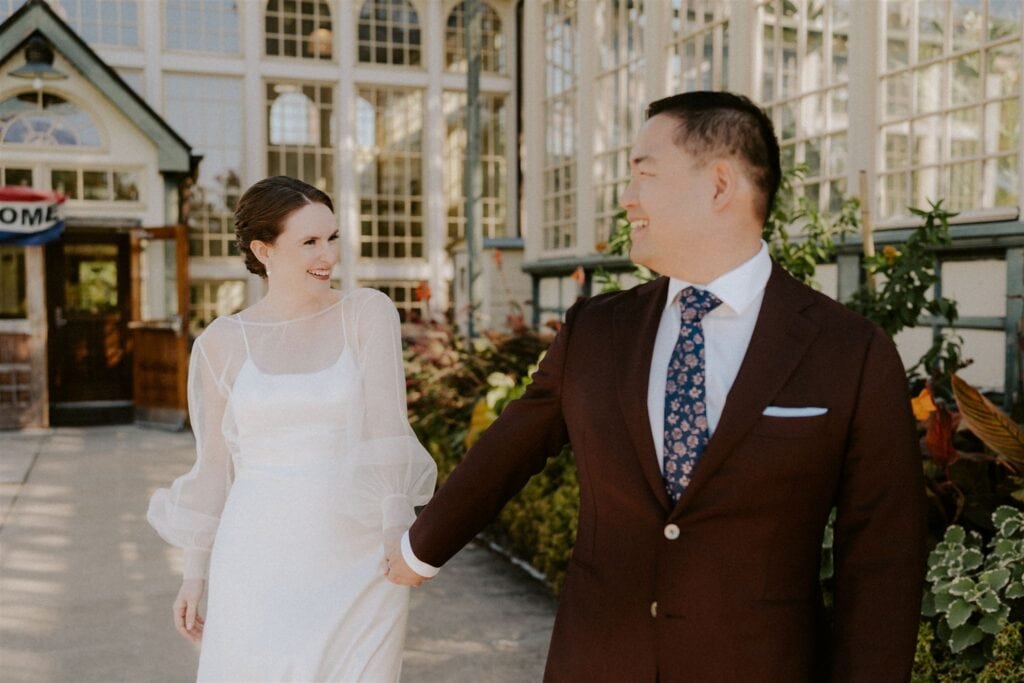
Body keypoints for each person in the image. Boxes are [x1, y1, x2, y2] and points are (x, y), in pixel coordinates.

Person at [386, 92, 926, 681]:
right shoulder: (596, 329)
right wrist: (418, 550)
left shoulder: (850, 351)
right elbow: (512, 447)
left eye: (644, 173)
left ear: (720, 185)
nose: (627, 197)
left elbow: (882, 559)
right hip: (597, 662)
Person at [148, 176, 436, 682]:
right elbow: (214, 466)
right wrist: (194, 574)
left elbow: (389, 428)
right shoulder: (220, 343)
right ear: (264, 250)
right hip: (257, 559)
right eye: (309, 242)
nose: (327, 255)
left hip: (361, 557)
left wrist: (396, 531)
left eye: (331, 238)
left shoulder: (366, 313)